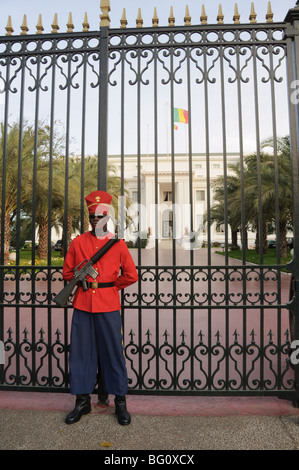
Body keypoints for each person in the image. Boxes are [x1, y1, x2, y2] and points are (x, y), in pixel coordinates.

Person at [62, 190, 138, 425]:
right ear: (89, 217)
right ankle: (82, 402)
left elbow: (131, 275)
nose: (96, 218)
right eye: (92, 215)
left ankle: (120, 403)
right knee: (81, 354)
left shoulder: (117, 244)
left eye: (100, 214)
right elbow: (66, 272)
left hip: (108, 304)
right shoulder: (78, 242)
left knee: (114, 354)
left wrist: (112, 287)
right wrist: (80, 278)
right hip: (83, 304)